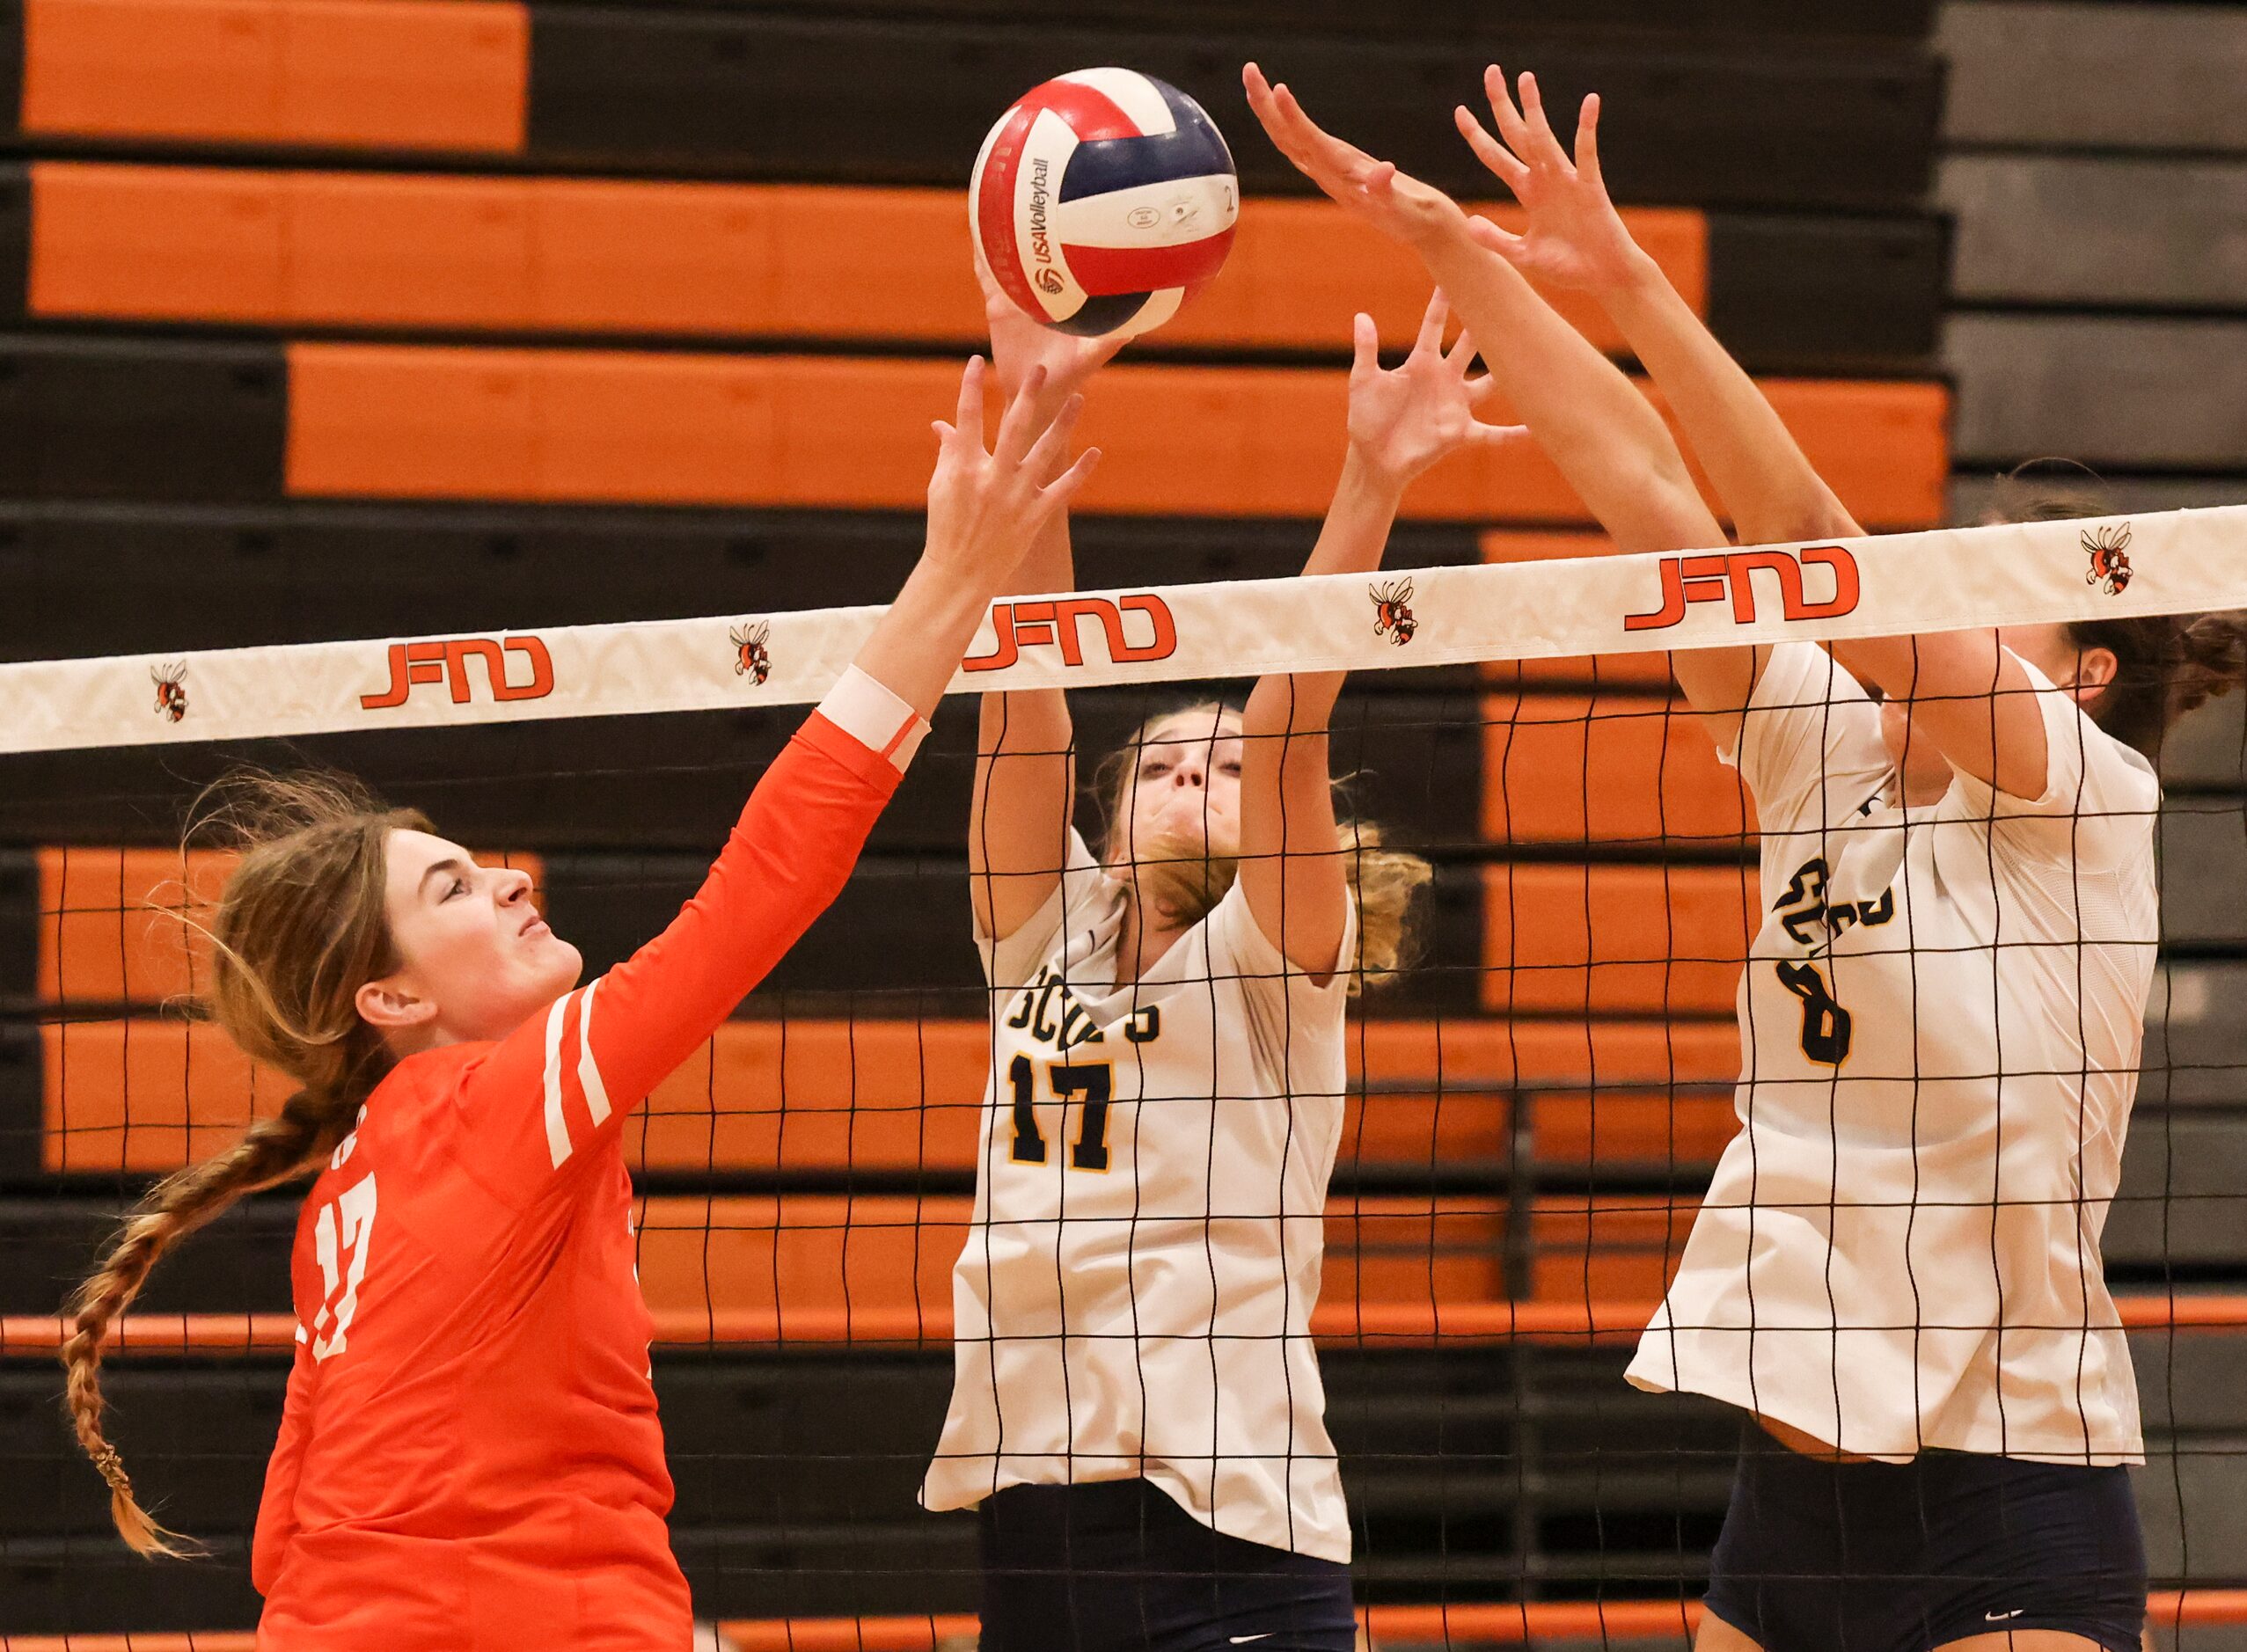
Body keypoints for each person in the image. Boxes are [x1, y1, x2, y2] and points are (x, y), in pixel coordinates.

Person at [1245, 62, 2244, 1652]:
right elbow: (1646, 488)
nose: (1940, 584)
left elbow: (1810, 535)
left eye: (1995, 585)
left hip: (2009, 1483)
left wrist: (1632, 272)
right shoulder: (1818, 744)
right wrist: (1448, 244)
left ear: (2079, 671)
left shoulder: (2081, 794)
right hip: (1788, 1503)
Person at [61, 361, 1099, 1649]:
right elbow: (761, 891)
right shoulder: (489, 1097)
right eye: (450, 885)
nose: (506, 877)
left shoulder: (345, 1184)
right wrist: (948, 581)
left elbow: (286, 1525)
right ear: (388, 995)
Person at [921, 267, 1509, 1651]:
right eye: (1166, 762)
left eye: (1223, 766)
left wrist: (1371, 482)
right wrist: (1038, 407)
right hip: (1032, 1508)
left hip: (1225, 1525)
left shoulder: (1274, 957)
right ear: (1113, 814)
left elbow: (1294, 713)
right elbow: (1025, 698)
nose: (1194, 774)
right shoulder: (1041, 932)